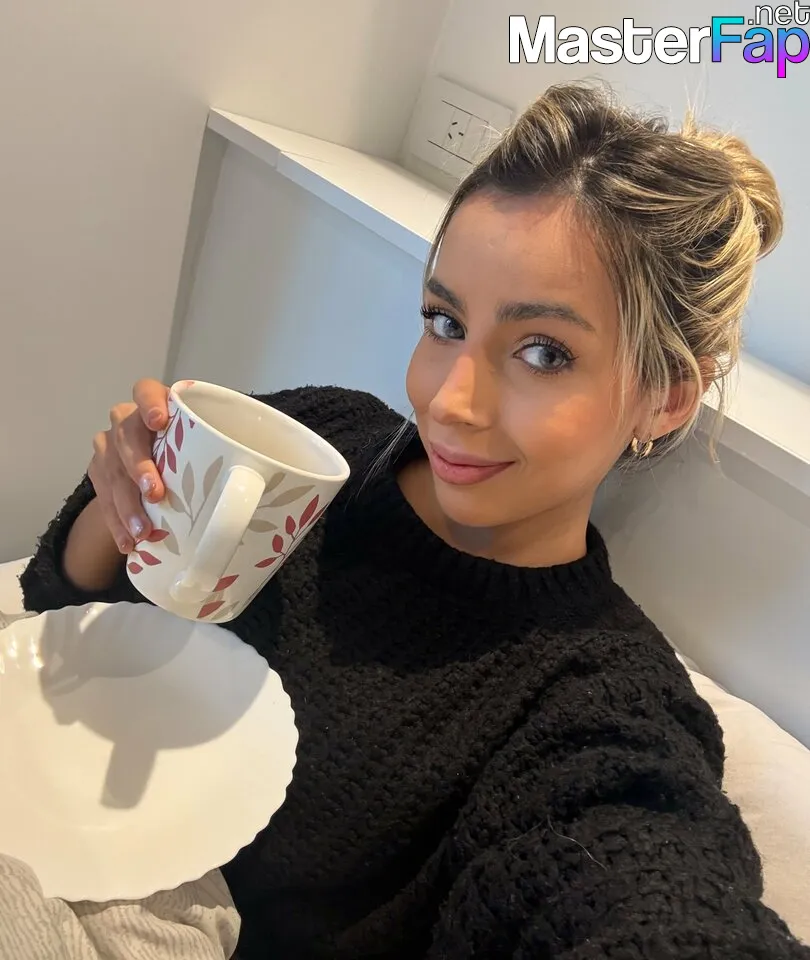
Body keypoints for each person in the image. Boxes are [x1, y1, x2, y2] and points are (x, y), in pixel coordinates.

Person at [19, 81, 809, 959]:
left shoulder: (593, 704)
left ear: (664, 399)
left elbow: (644, 883)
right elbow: (57, 612)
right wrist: (122, 500)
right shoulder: (317, 437)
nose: (449, 400)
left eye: (543, 352)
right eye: (444, 321)